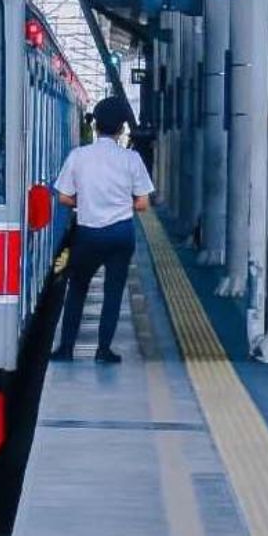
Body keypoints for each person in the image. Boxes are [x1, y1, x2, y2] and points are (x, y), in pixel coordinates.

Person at [50, 96, 154, 364]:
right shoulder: (131, 159)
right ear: (121, 129)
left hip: (88, 234)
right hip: (121, 234)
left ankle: (66, 349)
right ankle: (103, 350)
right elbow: (142, 204)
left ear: (95, 126)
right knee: (113, 292)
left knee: (77, 289)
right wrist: (120, 203)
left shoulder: (79, 156)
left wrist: (85, 201)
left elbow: (63, 197)